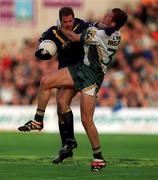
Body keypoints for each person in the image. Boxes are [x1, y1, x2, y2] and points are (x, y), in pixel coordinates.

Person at [19, 8, 128, 171]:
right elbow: (98, 25)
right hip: (80, 69)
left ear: (112, 22)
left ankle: (99, 158)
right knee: (49, 85)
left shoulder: (101, 35)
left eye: (108, 15)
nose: (104, 14)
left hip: (92, 77)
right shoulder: (113, 33)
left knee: (86, 120)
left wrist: (61, 27)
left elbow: (75, 37)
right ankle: (38, 121)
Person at [18, 7, 91, 163]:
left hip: (79, 71)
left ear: (74, 18)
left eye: (70, 21)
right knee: (61, 106)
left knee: (46, 83)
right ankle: (67, 146)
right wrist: (41, 53)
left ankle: (38, 121)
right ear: (60, 21)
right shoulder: (53, 32)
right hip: (63, 73)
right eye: (65, 22)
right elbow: (41, 47)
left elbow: (78, 39)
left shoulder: (82, 26)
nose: (69, 24)